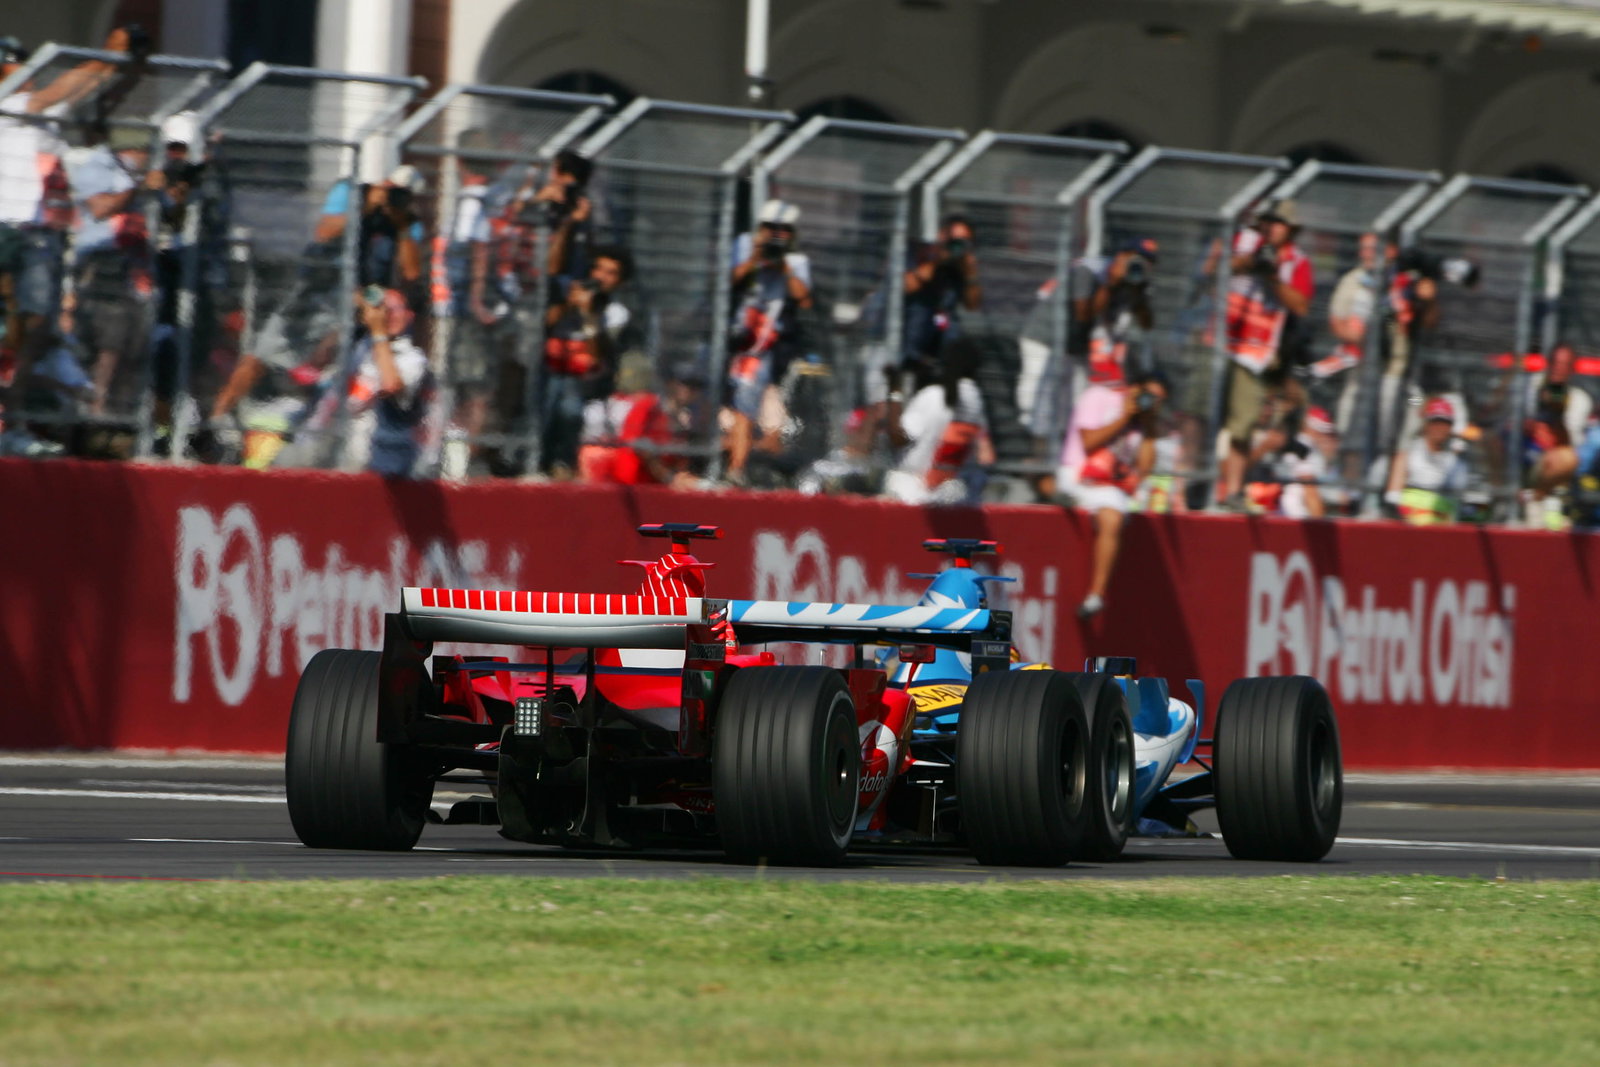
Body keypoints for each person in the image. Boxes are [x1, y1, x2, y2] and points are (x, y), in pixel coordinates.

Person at [1218, 200, 1313, 509]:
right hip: (1219, 339)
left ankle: (1232, 492)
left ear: (1291, 230)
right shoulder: (1242, 240)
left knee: (1242, 424)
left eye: (1279, 223)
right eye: (1267, 221)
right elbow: (1211, 269)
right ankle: (1187, 484)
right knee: (1200, 415)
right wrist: (1246, 261)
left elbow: (1300, 305)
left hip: (1255, 351)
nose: (1271, 228)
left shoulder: (1296, 262)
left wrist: (1272, 277)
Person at [1056, 353, 1166, 619]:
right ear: (1134, 388)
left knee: (1114, 512)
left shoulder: (1144, 425)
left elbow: (1145, 469)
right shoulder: (1098, 397)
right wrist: (1124, 417)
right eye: (1147, 394)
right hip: (1077, 475)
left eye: (1158, 400)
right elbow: (1089, 442)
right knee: (1114, 511)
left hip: (1108, 489)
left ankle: (1095, 596)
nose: (1148, 402)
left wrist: (1149, 427)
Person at [723, 198, 813, 486]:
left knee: (745, 404)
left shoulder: (796, 261)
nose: (776, 234)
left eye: (783, 230)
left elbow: (804, 299)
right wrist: (755, 258)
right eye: (770, 228)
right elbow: (728, 282)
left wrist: (783, 267)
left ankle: (736, 469)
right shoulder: (745, 246)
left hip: (760, 346)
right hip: (729, 337)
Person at [540, 245, 633, 478]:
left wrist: (589, 314)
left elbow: (598, 353)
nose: (601, 277)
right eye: (598, 269)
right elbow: (546, 324)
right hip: (549, 369)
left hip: (586, 380)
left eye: (610, 273)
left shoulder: (615, 312)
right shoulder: (569, 293)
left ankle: (562, 462)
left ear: (619, 281)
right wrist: (568, 304)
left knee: (569, 404)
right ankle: (538, 460)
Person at [883, 336, 994, 506]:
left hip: (911, 491)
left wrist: (894, 390)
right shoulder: (976, 400)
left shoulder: (933, 396)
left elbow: (898, 438)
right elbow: (985, 455)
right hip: (952, 493)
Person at [902, 214, 980, 388]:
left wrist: (970, 273)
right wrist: (938, 258)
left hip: (939, 353)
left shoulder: (959, 268)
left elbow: (973, 304)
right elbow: (909, 285)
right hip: (907, 347)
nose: (958, 246)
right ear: (943, 236)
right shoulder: (922, 252)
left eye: (965, 241)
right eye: (955, 240)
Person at [1385, 396, 1469, 525]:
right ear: (1426, 424)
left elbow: (1456, 502)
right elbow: (1392, 497)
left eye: (1445, 423)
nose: (1439, 428)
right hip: (1407, 524)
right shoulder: (1408, 454)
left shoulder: (1455, 462)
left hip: (1441, 528)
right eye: (1435, 422)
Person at [1244, 404, 1337, 519]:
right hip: (1297, 515)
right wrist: (1321, 527)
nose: (1326, 437)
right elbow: (1310, 491)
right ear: (1309, 427)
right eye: (1323, 432)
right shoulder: (1307, 448)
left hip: (1284, 513)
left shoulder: (1299, 446)